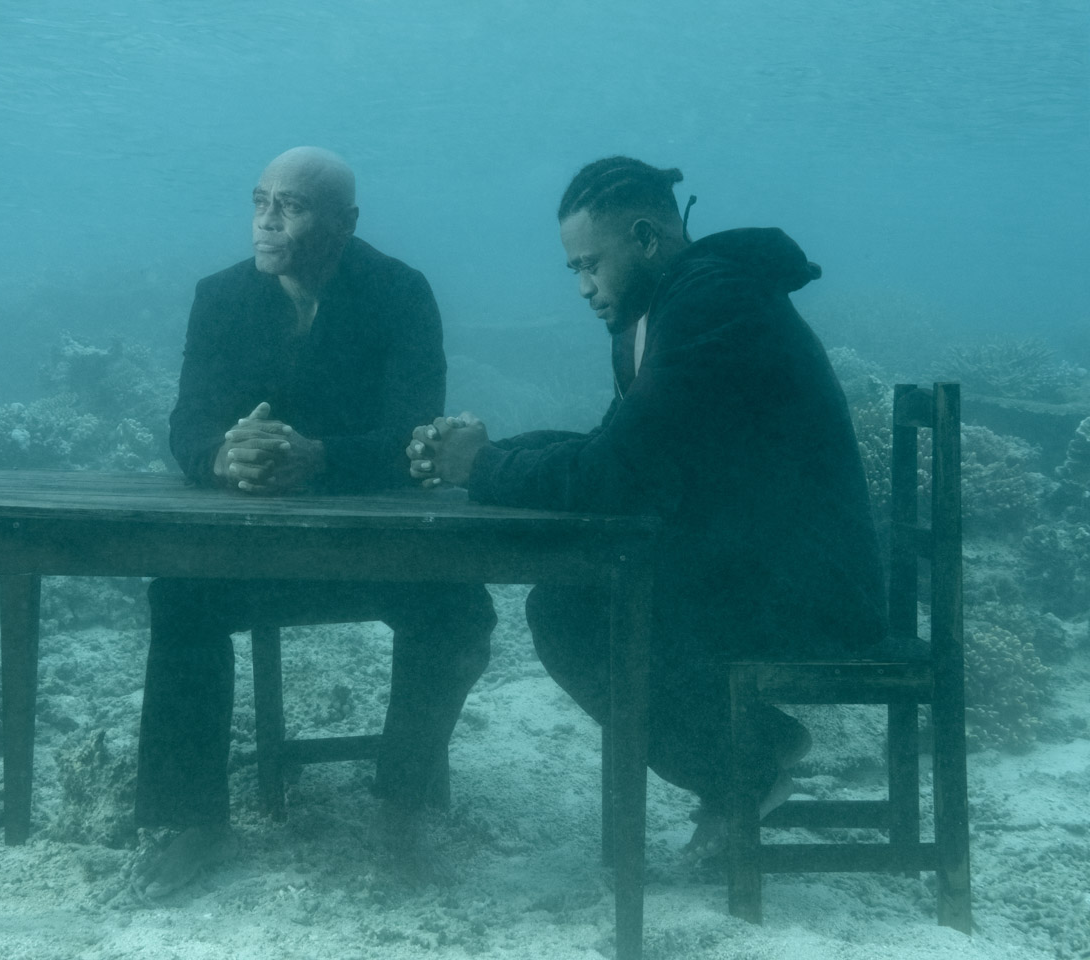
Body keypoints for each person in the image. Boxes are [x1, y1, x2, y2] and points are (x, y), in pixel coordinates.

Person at [408, 156, 886, 857]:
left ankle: (744, 770)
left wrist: (481, 465)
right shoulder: (671, 305)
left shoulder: (711, 303)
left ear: (645, 236)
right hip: (761, 564)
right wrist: (488, 452)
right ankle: (756, 751)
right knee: (575, 601)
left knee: (568, 610)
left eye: (589, 264)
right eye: (574, 269)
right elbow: (620, 447)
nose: (582, 286)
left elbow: (617, 474)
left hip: (807, 597)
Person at [135, 147, 496, 896]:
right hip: (258, 555)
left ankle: (400, 806)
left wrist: (320, 457)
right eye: (259, 200)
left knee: (459, 611)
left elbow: (418, 432)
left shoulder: (401, 292)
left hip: (380, 550)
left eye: (291, 205)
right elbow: (189, 422)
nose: (267, 219)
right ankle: (194, 820)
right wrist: (223, 458)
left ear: (346, 222)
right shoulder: (220, 295)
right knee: (178, 595)